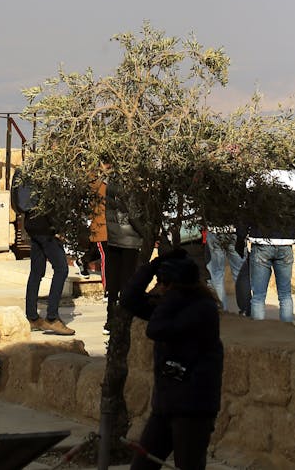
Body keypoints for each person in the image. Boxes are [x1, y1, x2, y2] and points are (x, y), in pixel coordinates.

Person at [122, 248, 223, 470]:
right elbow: (128, 300)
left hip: (193, 406)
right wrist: (152, 266)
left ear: (176, 286)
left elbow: (156, 329)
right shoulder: (171, 304)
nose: (158, 288)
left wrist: (170, 295)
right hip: (166, 403)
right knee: (141, 465)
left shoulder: (201, 309)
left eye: (163, 283)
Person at [235, 168, 295, 323]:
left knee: (259, 296)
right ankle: (288, 333)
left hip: (261, 243)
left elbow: (245, 214)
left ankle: (259, 335)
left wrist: (240, 239)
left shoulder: (254, 179)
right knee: (285, 294)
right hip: (286, 243)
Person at [11, 167, 75, 336]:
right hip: (46, 229)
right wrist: (58, 228)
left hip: (32, 224)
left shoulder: (31, 169)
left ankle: (32, 317)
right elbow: (48, 204)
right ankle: (52, 318)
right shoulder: (47, 169)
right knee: (61, 269)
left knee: (37, 271)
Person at [103, 177, 143, 331]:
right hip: (129, 239)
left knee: (114, 282)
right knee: (127, 281)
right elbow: (133, 215)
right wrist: (146, 233)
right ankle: (124, 320)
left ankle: (110, 319)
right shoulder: (128, 184)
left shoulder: (111, 183)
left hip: (113, 237)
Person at [205, 227, 246, 313]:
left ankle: (222, 309)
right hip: (234, 231)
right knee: (239, 273)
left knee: (217, 274)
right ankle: (245, 309)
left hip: (215, 231)